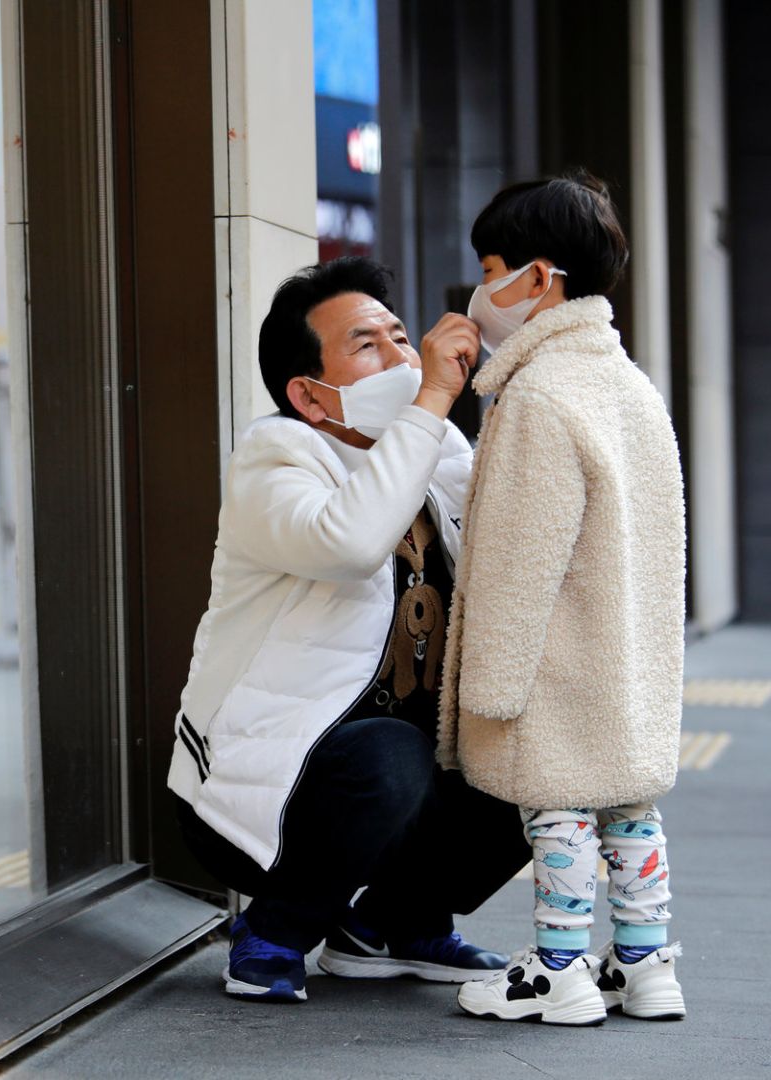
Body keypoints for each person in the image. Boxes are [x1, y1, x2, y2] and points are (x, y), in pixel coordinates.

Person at [168, 257, 531, 1003]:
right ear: (308, 393)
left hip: (393, 780)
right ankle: (273, 930)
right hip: (262, 790)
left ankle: (397, 925)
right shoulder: (275, 457)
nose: (404, 357)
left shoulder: (436, 453)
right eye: (369, 345)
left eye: (403, 337)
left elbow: (512, 549)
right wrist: (431, 398)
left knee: (537, 748)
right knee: (392, 755)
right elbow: (349, 543)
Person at [441, 173, 687, 1025]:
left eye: (491, 264)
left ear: (539, 279)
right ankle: (648, 964)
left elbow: (516, 559)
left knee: (557, 809)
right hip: (625, 650)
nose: (481, 285)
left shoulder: (541, 394)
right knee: (627, 806)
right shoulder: (630, 386)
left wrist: (491, 690)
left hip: (558, 657)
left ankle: (556, 967)